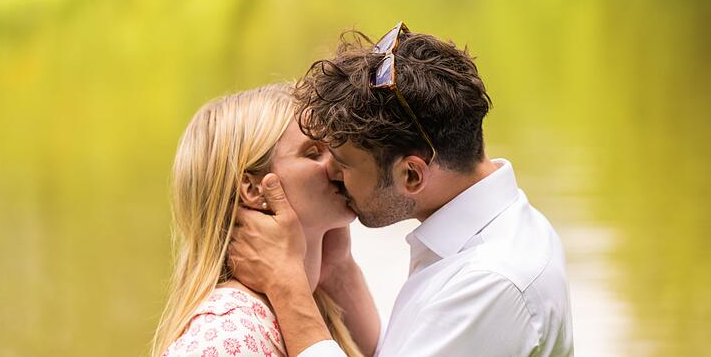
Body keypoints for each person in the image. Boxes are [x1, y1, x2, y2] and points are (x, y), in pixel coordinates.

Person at [229, 23, 575, 356]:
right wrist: (338, 269)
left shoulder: (490, 282)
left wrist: (286, 285)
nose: (332, 173)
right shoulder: (490, 229)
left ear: (411, 175)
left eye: (345, 164)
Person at [151, 83, 379, 357]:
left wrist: (337, 268)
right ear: (252, 188)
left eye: (335, 146)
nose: (340, 162)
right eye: (313, 152)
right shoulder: (230, 333)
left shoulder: (306, 314)